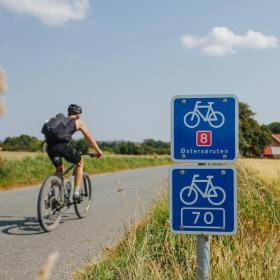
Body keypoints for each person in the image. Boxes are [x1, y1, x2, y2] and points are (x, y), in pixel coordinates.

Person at [43, 104, 103, 201]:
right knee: (79, 162)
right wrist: (98, 151)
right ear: (78, 115)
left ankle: (51, 194)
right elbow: (89, 138)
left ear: (68, 113)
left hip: (50, 147)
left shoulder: (59, 122)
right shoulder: (78, 122)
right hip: (63, 147)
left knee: (59, 169)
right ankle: (76, 193)